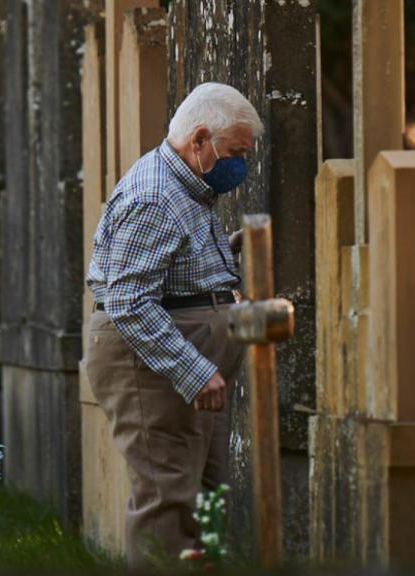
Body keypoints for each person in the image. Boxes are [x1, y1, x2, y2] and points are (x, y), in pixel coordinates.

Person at [84, 82, 264, 571]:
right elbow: (128, 298)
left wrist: (219, 256)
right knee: (168, 498)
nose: (240, 165)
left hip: (184, 354)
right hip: (153, 364)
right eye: (235, 152)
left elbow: (166, 269)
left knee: (201, 498)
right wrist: (193, 370)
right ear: (200, 139)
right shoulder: (156, 195)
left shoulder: (187, 184)